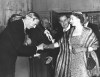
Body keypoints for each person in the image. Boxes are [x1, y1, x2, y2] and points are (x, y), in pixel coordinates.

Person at [43, 12, 100, 77]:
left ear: (78, 19)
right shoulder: (69, 32)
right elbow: (59, 43)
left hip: (83, 61)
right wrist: (46, 46)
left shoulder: (88, 31)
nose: (70, 21)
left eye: (72, 19)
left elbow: (96, 45)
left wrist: (82, 49)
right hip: (70, 60)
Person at [0, 12, 44, 77]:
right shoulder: (17, 26)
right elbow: (19, 48)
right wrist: (37, 48)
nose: (34, 27)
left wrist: (33, 53)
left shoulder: (19, 25)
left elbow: (16, 47)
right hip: (6, 62)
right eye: (34, 24)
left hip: (8, 60)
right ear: (29, 18)